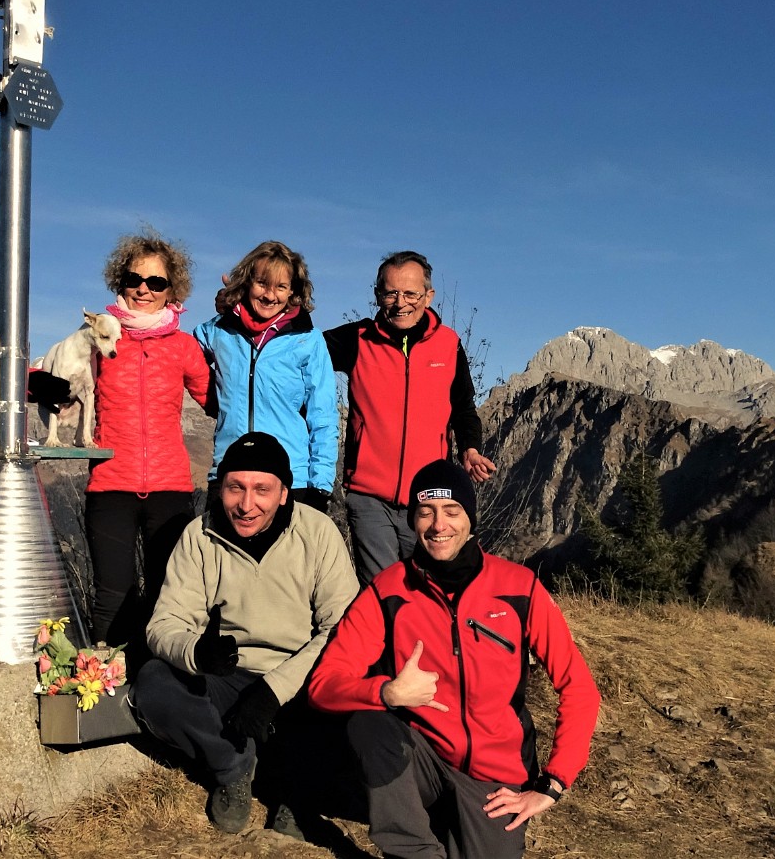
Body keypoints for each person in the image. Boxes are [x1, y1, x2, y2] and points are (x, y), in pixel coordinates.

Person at [308, 460, 601, 859]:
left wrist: (553, 783)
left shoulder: (519, 588)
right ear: (412, 520)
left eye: (451, 511)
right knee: (370, 723)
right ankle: (412, 849)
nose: (438, 525)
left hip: (495, 777)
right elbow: (324, 684)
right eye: (425, 512)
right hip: (423, 759)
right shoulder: (388, 590)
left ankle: (451, 822)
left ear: (470, 519)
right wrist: (387, 692)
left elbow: (578, 688)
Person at [132, 432, 359, 836]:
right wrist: (196, 653)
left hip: (299, 678)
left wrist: (274, 689)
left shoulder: (317, 533)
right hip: (227, 674)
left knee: (350, 700)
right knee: (154, 684)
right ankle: (232, 766)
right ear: (221, 488)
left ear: (284, 493)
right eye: (235, 487)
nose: (246, 504)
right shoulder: (200, 536)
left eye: (262, 490)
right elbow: (164, 623)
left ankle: (297, 794)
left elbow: (343, 628)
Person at [324, 250, 497, 584]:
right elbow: (297, 346)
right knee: (383, 588)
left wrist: (470, 449)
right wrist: (238, 308)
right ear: (377, 295)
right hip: (368, 493)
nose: (399, 302)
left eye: (410, 293)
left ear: (428, 296)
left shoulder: (448, 345)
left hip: (428, 499)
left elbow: (463, 408)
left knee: (425, 587)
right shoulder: (357, 339)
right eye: (390, 292)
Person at [85, 230, 210, 654]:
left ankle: (161, 699)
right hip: (110, 484)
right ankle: (101, 703)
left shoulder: (183, 346)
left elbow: (219, 401)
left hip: (170, 488)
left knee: (170, 598)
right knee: (112, 599)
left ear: (170, 291)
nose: (144, 289)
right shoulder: (94, 338)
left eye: (156, 283)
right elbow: (55, 379)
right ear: (120, 282)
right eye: (135, 279)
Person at [194, 241, 337, 512]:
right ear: (247, 282)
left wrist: (320, 486)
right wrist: (214, 404)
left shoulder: (308, 340)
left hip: (290, 479)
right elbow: (183, 359)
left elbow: (324, 417)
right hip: (229, 473)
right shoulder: (219, 331)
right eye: (262, 283)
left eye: (281, 287)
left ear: (293, 291)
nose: (270, 295)